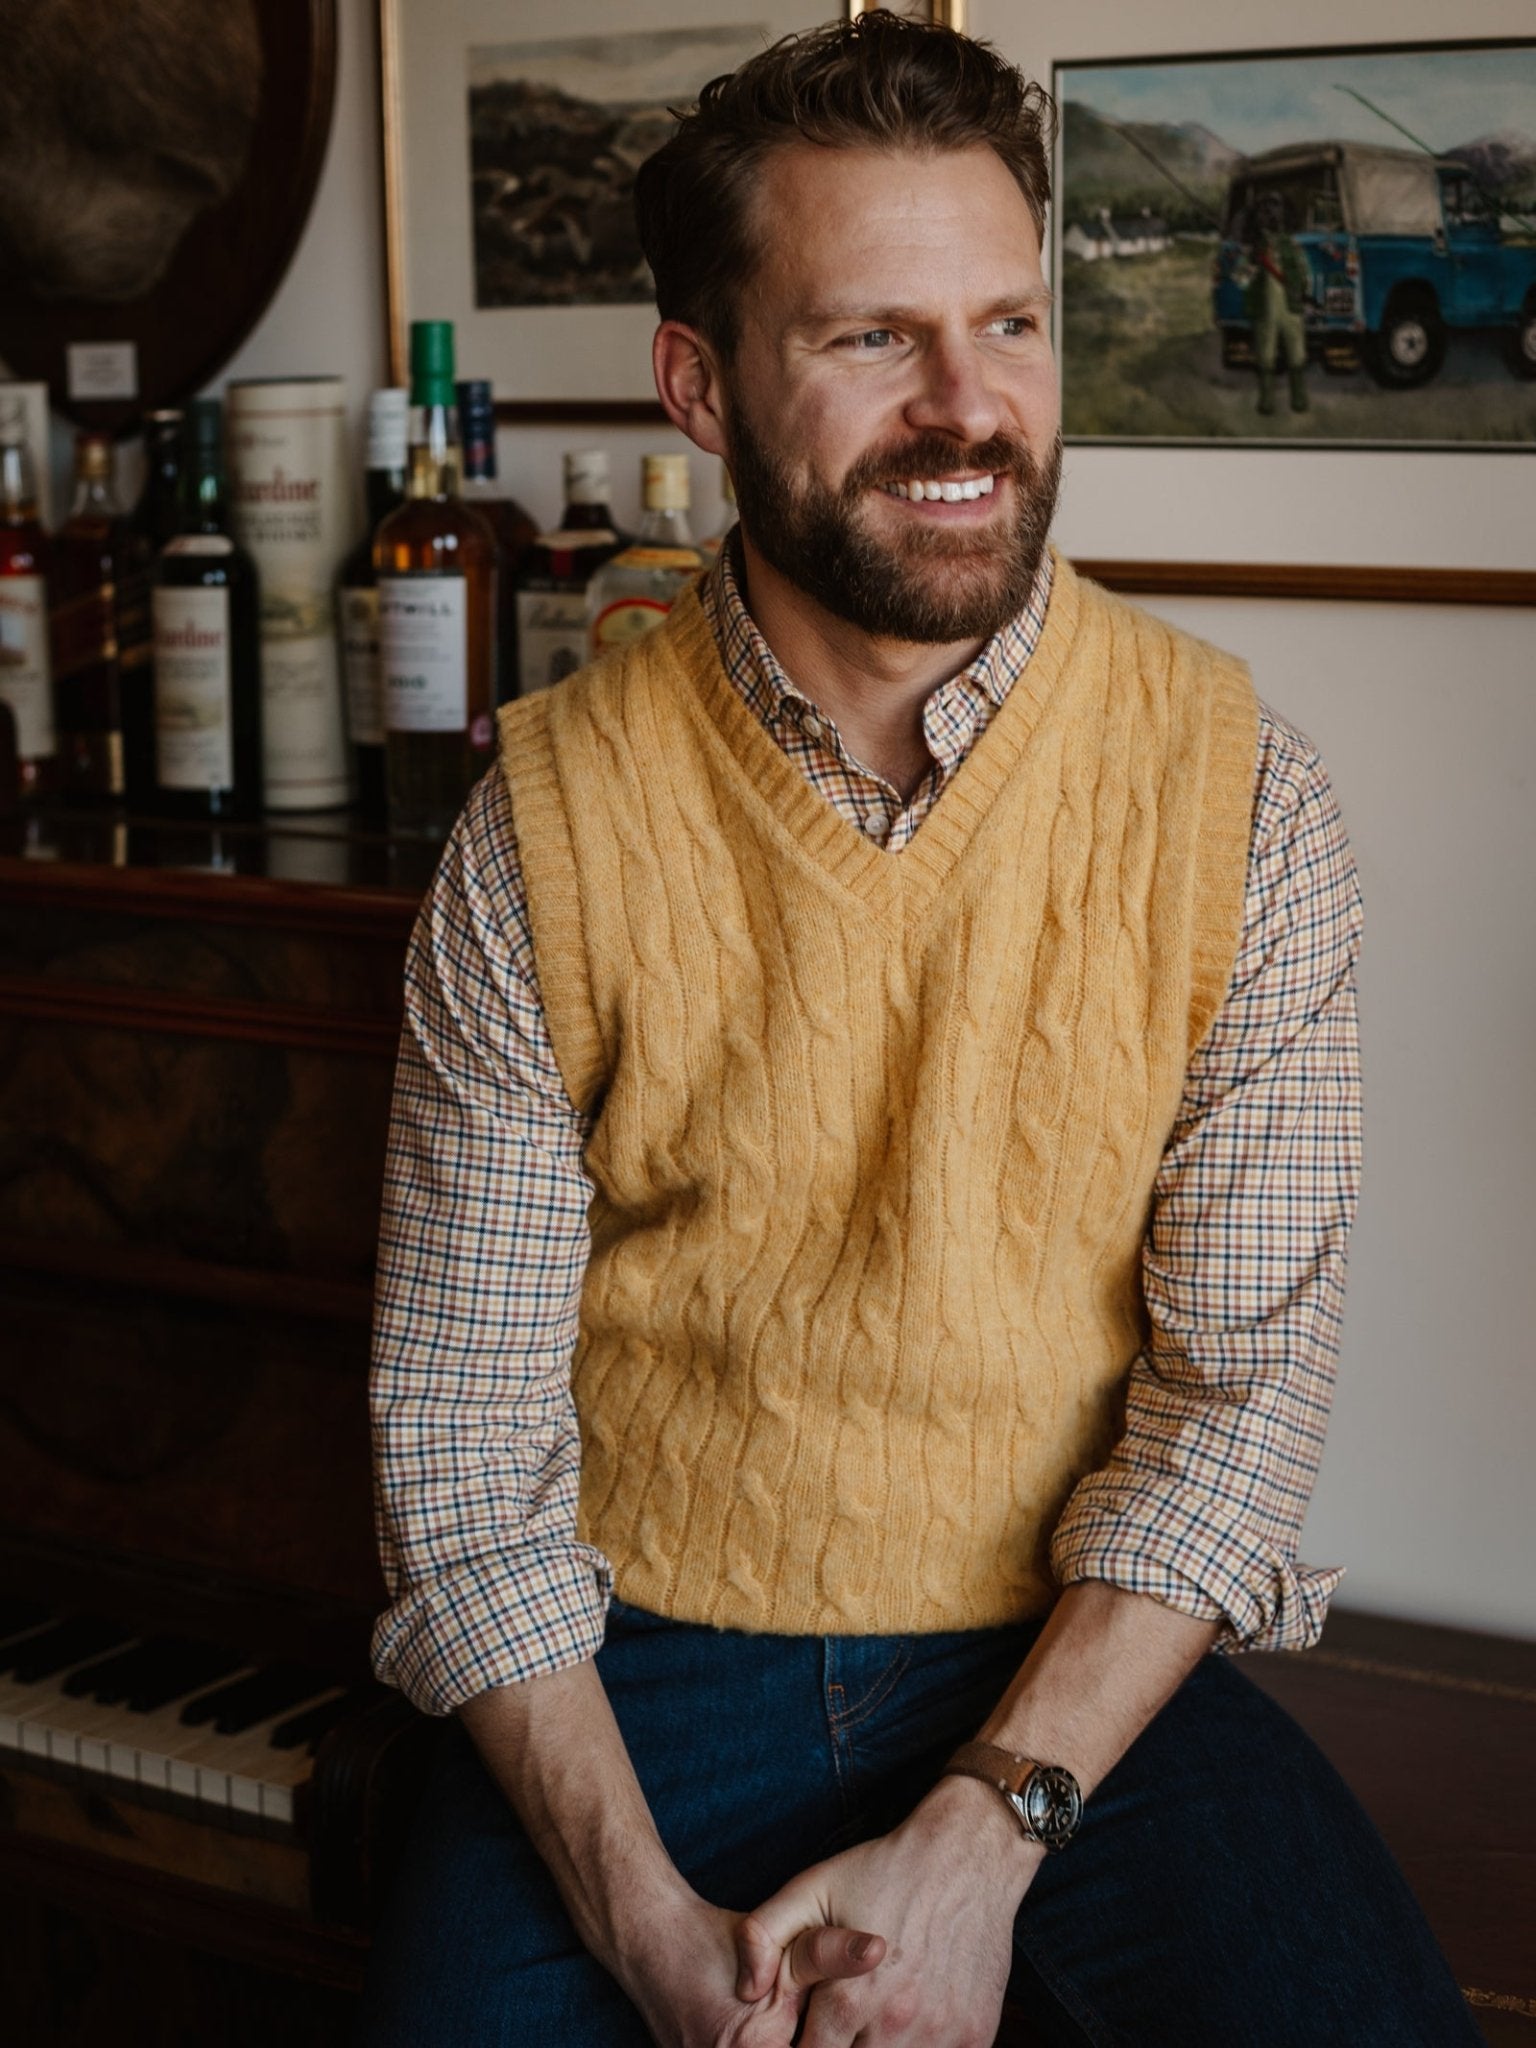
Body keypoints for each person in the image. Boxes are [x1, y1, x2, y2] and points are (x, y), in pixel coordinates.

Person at [361, 15, 1478, 2045]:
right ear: (699, 382)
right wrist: (639, 1921)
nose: (973, 406)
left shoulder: (1237, 794)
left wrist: (985, 1833)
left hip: (1064, 1661)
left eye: (1011, 323)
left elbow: (1236, 1414)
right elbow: (463, 1458)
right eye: (876, 338)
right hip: (635, 1668)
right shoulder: (541, 825)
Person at [1243, 188, 1312, 417]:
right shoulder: (1256, 248)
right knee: (1265, 357)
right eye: (1265, 210)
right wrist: (1251, 263)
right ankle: (1266, 401)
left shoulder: (1292, 246)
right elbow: (1241, 279)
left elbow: (1305, 275)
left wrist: (1305, 293)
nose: (1270, 214)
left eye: (1274, 209)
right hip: (1264, 310)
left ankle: (1299, 399)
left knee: (1296, 355)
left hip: (1291, 308)